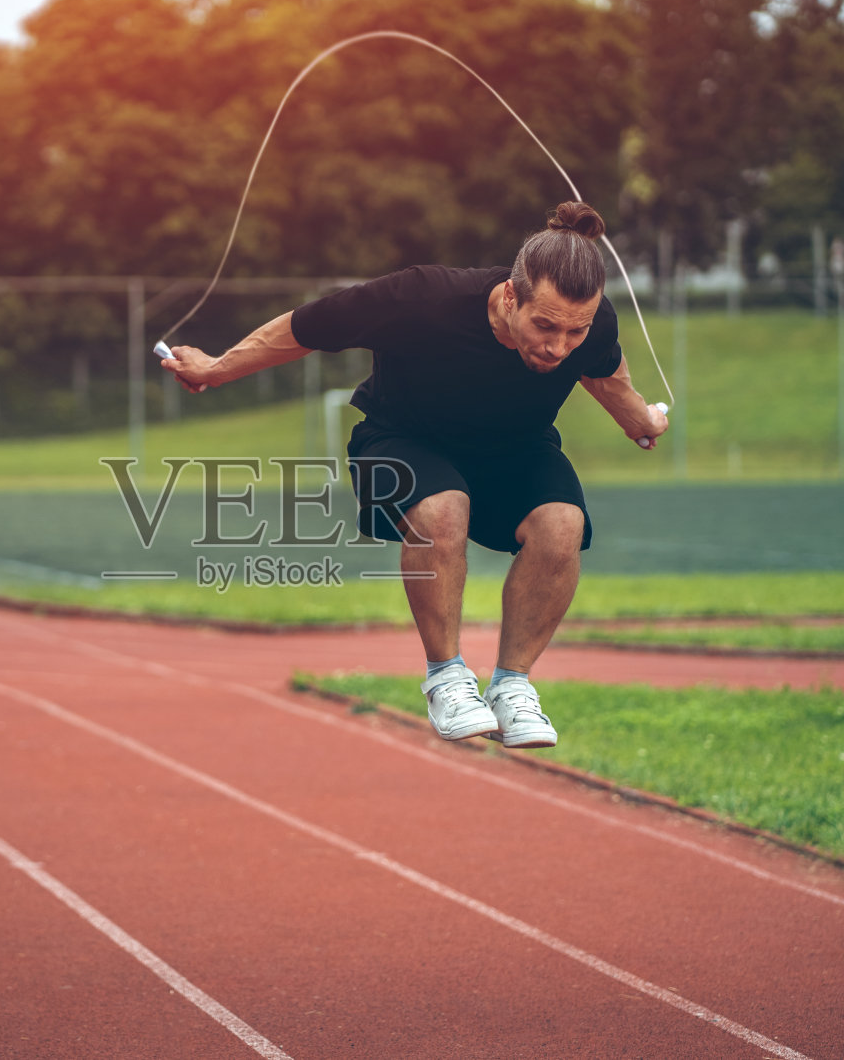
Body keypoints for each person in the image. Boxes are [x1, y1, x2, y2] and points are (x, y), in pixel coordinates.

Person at [160, 201, 668, 748]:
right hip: (400, 438)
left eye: (575, 332)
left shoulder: (588, 325)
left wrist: (641, 421)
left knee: (563, 525)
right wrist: (215, 368)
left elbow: (607, 375)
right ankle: (447, 678)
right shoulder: (423, 297)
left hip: (514, 448)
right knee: (441, 508)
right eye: (545, 326)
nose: (558, 346)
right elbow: (304, 327)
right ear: (510, 295)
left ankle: (512, 687)